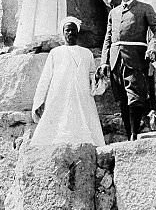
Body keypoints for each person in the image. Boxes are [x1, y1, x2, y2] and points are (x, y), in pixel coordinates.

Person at [98, 0, 156, 140]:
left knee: (134, 96)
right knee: (121, 98)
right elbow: (108, 38)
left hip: (135, 57)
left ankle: (135, 134)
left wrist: (152, 47)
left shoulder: (145, 8)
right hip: (115, 59)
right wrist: (104, 61)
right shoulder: (113, 12)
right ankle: (129, 136)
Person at [30, 17, 106, 146]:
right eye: (68, 30)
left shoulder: (86, 53)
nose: (71, 33)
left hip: (81, 97)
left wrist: (98, 76)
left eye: (73, 30)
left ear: (78, 32)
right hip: (59, 95)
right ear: (63, 33)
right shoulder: (55, 53)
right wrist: (39, 101)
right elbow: (45, 79)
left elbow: (92, 77)